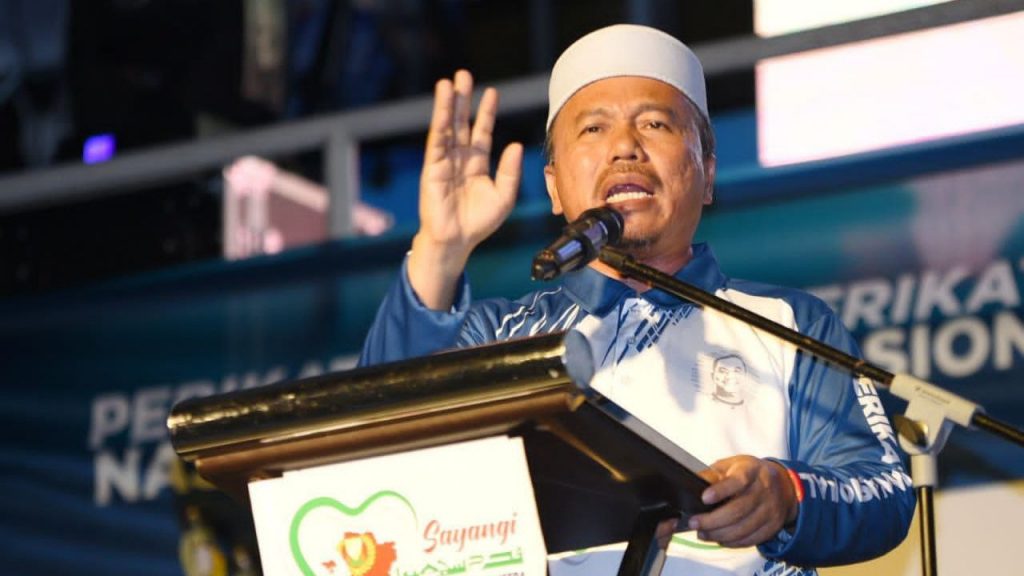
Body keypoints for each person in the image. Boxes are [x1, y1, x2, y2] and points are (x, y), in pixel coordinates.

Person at [358, 24, 915, 575]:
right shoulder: (500, 339)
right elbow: (375, 437)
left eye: (654, 123)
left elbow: (883, 489)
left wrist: (786, 494)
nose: (625, 146)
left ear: (707, 173)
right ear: (553, 186)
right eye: (594, 128)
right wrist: (439, 251)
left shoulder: (790, 324)